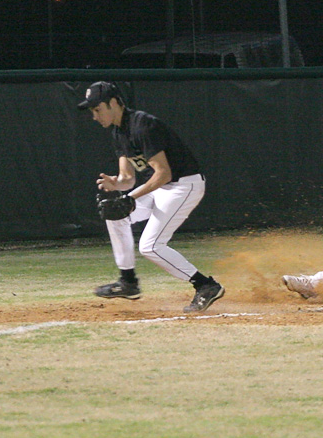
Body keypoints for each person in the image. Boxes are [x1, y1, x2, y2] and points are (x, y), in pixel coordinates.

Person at [78, 81, 224, 313]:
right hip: (161, 187)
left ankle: (206, 285)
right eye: (92, 111)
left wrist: (131, 197)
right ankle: (128, 281)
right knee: (114, 214)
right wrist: (118, 184)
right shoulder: (118, 131)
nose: (95, 116)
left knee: (150, 246)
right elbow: (128, 177)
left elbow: (164, 173)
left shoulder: (142, 125)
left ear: (114, 103)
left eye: (98, 109)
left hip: (184, 185)